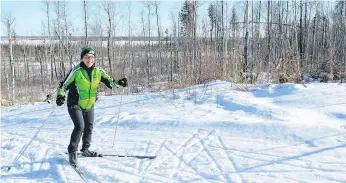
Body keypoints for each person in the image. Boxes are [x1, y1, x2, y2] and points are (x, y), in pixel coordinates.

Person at [56, 47, 127, 167]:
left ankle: (85, 150)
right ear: (82, 58)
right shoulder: (76, 71)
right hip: (75, 103)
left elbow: (110, 82)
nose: (90, 59)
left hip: (89, 104)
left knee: (89, 126)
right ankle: (72, 152)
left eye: (92, 57)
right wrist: (60, 96)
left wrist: (119, 83)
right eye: (87, 57)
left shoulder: (98, 72)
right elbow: (63, 86)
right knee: (80, 126)